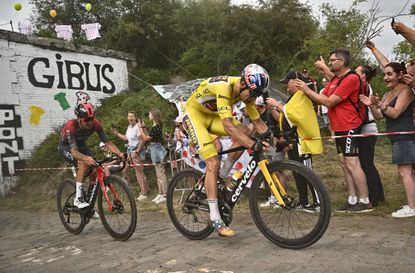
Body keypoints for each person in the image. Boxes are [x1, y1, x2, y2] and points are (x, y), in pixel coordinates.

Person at [183, 64, 271, 237]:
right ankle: (215, 217)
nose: (253, 99)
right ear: (243, 84)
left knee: (246, 131)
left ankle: (223, 174)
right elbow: (228, 126)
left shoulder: (247, 95)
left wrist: (273, 137)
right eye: (253, 94)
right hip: (195, 115)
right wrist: (252, 144)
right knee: (212, 161)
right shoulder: (224, 87)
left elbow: (258, 122)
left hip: (211, 115)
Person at [297, 48, 373, 212]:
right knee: (344, 163)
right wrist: (324, 68)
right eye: (329, 60)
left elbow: (329, 102)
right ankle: (352, 199)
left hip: (350, 125)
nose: (330, 63)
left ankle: (365, 200)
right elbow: (332, 81)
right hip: (339, 127)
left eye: (332, 60)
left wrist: (307, 90)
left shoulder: (351, 78)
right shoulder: (337, 79)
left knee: (353, 163)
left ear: (342, 62)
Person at [360, 62, 415, 217]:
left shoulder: (406, 91)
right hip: (395, 136)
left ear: (399, 75)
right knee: (405, 171)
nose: (386, 77)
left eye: (390, 74)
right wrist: (371, 105)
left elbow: (396, 113)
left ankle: (412, 207)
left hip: (405, 135)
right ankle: (412, 203)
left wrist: (380, 104)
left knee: (405, 171)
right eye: (384, 74)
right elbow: (379, 116)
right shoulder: (387, 93)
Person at [267, 71, 324, 212]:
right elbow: (285, 115)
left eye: (287, 82)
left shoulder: (302, 95)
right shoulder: (293, 97)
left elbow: (294, 114)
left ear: (296, 82)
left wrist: (276, 104)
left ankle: (317, 202)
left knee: (307, 172)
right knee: (297, 173)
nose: (286, 86)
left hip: (302, 142)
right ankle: (303, 201)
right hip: (292, 141)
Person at [58, 102, 124, 209]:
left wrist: (120, 153)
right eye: (86, 120)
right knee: (85, 163)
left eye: (91, 118)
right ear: (79, 118)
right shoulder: (71, 126)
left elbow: (107, 142)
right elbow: (74, 152)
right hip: (66, 147)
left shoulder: (96, 124)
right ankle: (78, 199)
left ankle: (89, 201)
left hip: (80, 145)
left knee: (94, 165)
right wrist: (85, 158)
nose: (90, 122)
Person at [355, 65, 385, 207]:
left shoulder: (365, 87)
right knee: (367, 163)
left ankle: (375, 197)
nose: (353, 74)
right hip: (366, 129)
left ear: (363, 76)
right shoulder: (364, 86)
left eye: (356, 72)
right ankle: (379, 195)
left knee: (366, 164)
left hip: (367, 128)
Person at [112, 111, 149, 201]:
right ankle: (132, 188)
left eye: (132, 116)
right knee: (124, 169)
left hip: (136, 153)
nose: (130, 118)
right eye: (129, 116)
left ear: (135, 117)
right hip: (129, 152)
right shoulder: (129, 127)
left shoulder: (137, 127)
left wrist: (137, 151)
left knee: (139, 172)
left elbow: (142, 141)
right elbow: (126, 138)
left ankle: (144, 193)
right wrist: (117, 134)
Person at [138, 109, 168, 204]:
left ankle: (165, 195)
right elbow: (150, 135)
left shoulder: (156, 127)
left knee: (161, 174)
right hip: (155, 149)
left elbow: (146, 138)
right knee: (158, 174)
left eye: (150, 114)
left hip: (157, 150)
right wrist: (143, 128)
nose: (149, 115)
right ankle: (160, 193)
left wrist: (139, 128)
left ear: (154, 115)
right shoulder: (155, 126)